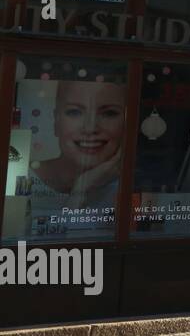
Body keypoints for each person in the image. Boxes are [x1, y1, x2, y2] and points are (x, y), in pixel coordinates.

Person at [27, 78, 125, 234]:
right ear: (56, 122)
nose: (90, 127)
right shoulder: (19, 177)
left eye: (109, 113)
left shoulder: (130, 187)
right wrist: (78, 194)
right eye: (75, 112)